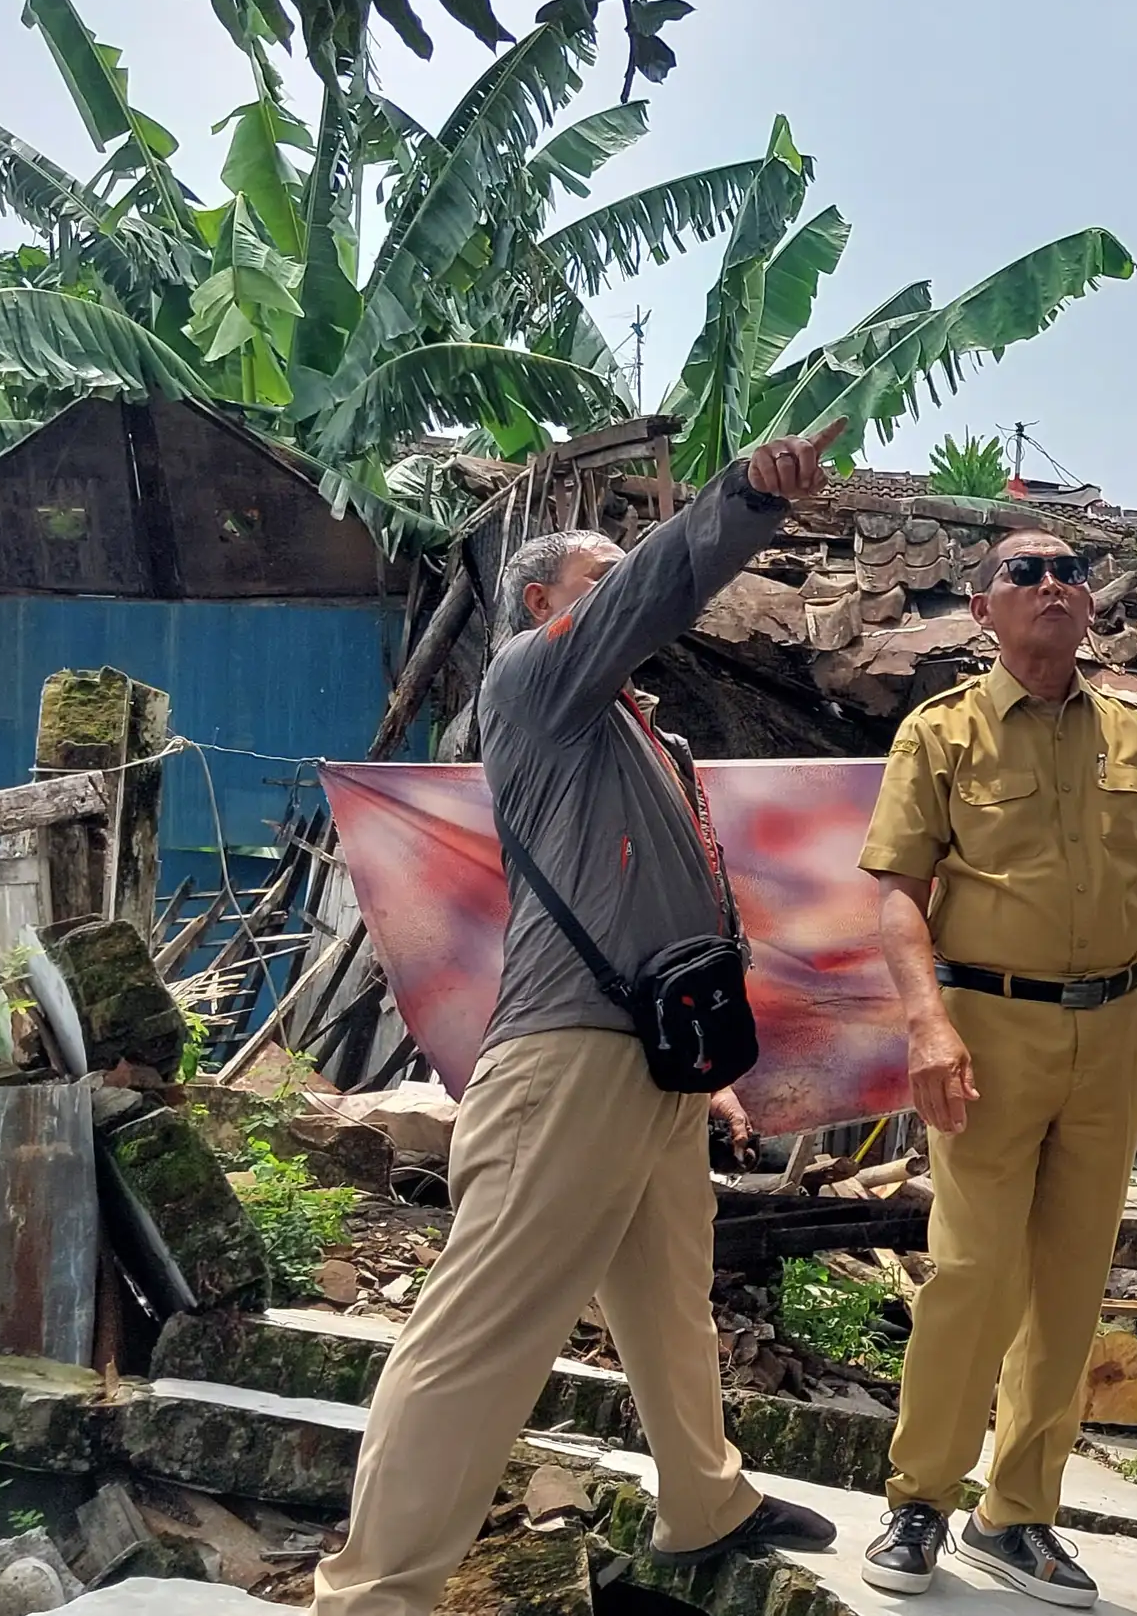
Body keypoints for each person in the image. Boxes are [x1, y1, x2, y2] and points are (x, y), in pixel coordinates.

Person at [312, 431, 844, 1616]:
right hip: (567, 1057)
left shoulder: (638, 734)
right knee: (483, 1321)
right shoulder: (531, 680)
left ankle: (701, 1501)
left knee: (667, 1288)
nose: (626, 599)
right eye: (603, 581)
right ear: (544, 604)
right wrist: (742, 496)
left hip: (647, 1059)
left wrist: (706, 1068)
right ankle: (372, 1596)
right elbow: (662, 583)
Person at [854, 528, 1137, 1607]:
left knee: (1070, 1286)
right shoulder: (941, 734)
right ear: (983, 608)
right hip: (985, 1026)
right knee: (972, 1272)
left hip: (1110, 1029)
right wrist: (925, 1025)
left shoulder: (1133, 737)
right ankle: (918, 1498)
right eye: (1023, 572)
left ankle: (1015, 1516)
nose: (1052, 584)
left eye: (1068, 570)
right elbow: (896, 893)